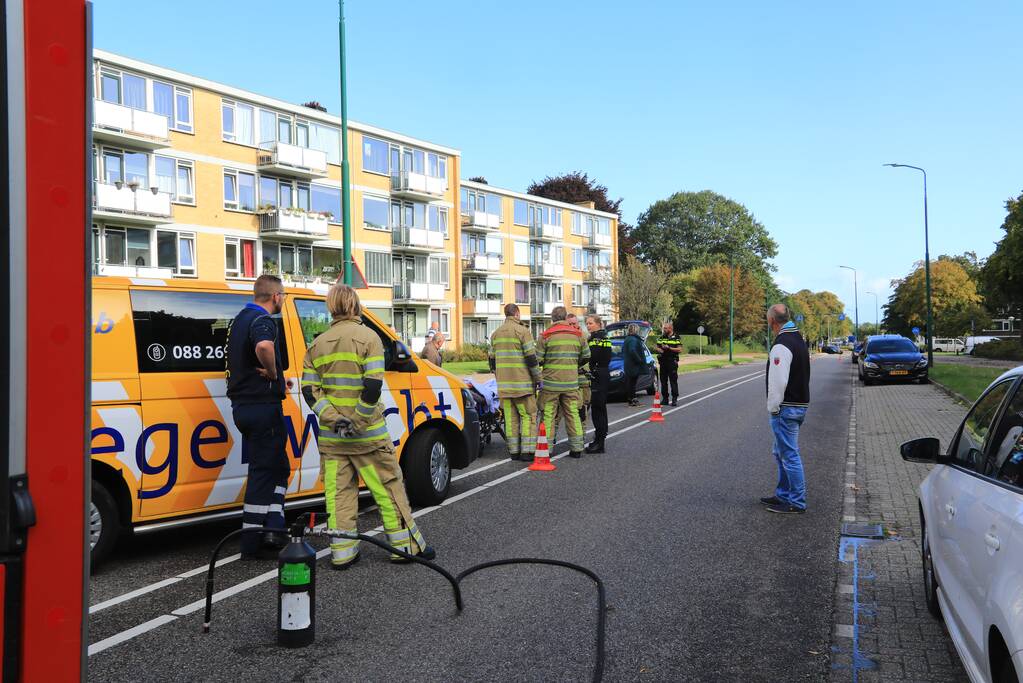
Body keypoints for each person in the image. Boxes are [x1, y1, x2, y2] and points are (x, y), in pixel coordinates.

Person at [301, 284, 434, 567]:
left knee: (338, 496)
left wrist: (336, 420)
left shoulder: (317, 344)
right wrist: (358, 421)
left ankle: (342, 553)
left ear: (331, 307)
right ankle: (403, 548)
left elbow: (310, 392)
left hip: (333, 439)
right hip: (368, 437)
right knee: (387, 489)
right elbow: (372, 387)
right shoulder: (369, 338)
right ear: (355, 304)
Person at [226, 274, 290, 560]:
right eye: (284, 296)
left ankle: (275, 528)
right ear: (275, 296)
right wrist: (274, 373)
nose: (284, 301)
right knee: (264, 472)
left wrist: (279, 381)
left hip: (244, 405)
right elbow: (263, 347)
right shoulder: (263, 320)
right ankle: (252, 544)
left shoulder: (238, 319)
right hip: (262, 406)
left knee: (278, 465)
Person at [762, 304, 811, 514]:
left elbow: (778, 381)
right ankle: (783, 494)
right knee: (781, 451)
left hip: (786, 408)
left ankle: (796, 502)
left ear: (772, 321)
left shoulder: (782, 344)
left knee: (789, 455)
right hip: (798, 404)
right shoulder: (798, 339)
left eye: (767, 319)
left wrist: (773, 408)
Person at [489, 304, 542, 461]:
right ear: (517, 314)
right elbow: (531, 359)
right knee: (527, 416)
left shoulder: (496, 334)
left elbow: (492, 361)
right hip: (522, 386)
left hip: (504, 387)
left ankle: (513, 451)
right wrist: (538, 378)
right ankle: (527, 452)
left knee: (510, 420)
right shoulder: (523, 331)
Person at [536, 306, 590, 458]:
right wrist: (574, 364)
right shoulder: (578, 334)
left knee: (548, 416)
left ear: (552, 319)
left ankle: (546, 449)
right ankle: (577, 448)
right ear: (566, 318)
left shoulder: (545, 335)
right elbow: (586, 356)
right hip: (571, 383)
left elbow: (538, 360)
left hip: (550, 384)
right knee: (573, 414)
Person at [585, 314, 613, 453]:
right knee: (600, 408)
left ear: (598, 324)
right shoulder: (603, 336)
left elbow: (590, 356)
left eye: (590, 323)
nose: (588, 325)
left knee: (598, 410)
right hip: (602, 373)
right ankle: (599, 439)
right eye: (587, 323)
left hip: (598, 375)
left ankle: (599, 442)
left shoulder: (597, 338)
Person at [655, 322, 683, 406]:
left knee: (673, 381)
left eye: (666, 328)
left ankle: (674, 399)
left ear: (671, 328)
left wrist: (669, 348)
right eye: (664, 328)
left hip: (672, 361)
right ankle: (665, 399)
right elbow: (657, 346)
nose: (664, 330)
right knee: (663, 381)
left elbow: (680, 349)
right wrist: (658, 349)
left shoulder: (676, 337)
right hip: (663, 362)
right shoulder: (662, 337)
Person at [623, 323, 646, 407]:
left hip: (628, 364)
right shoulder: (633, 339)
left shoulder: (627, 339)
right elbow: (632, 350)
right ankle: (633, 400)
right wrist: (639, 359)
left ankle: (630, 399)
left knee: (630, 382)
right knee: (632, 383)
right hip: (633, 365)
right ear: (635, 330)